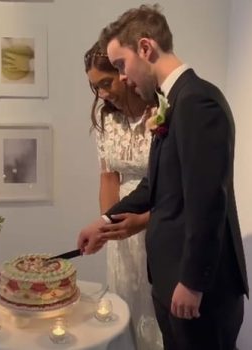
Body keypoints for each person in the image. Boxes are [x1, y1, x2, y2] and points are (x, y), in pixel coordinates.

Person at [78, 4, 249, 350]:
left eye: (122, 65)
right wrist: (104, 220)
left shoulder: (198, 102)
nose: (123, 77)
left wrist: (193, 282)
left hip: (200, 291)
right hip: (171, 279)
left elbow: (207, 202)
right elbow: (154, 184)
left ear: (145, 48)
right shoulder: (175, 102)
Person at [84, 42, 162, 349]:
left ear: (124, 73)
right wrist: (108, 226)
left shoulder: (162, 113)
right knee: (125, 303)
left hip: (158, 217)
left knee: (157, 308)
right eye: (95, 87)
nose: (102, 94)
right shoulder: (107, 120)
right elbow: (108, 177)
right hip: (123, 225)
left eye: (106, 83)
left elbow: (175, 183)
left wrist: (142, 221)